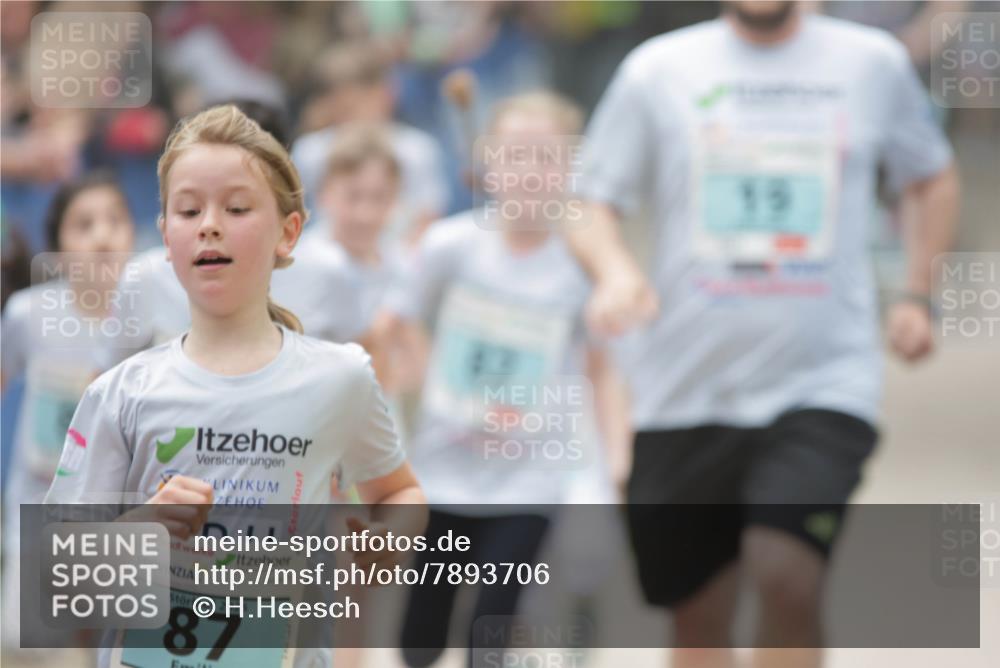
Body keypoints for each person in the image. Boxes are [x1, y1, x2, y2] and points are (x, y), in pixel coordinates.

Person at [570, 2, 960, 667]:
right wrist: (614, 273)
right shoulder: (658, 70)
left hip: (822, 381)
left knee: (786, 574)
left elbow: (931, 175)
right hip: (685, 388)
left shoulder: (870, 64)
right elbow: (588, 201)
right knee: (696, 615)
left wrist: (918, 293)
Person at [44, 105, 426, 668]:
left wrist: (388, 539)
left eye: (237, 207)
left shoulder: (339, 378)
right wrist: (141, 528)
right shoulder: (121, 393)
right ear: (166, 236)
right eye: (188, 209)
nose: (209, 224)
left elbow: (399, 494)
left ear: (288, 233)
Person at [383, 91, 629, 667]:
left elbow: (602, 368)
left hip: (529, 480)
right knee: (419, 640)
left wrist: (620, 458)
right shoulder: (452, 245)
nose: (530, 173)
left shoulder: (580, 264)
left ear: (571, 169)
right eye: (516, 155)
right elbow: (396, 321)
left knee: (491, 628)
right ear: (488, 164)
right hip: (444, 470)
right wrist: (428, 378)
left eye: (547, 158)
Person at [2, 170, 135, 651]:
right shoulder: (28, 314)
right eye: (84, 224)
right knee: (34, 651)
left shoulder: (158, 317)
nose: (102, 236)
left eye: (115, 220)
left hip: (127, 522)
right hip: (41, 513)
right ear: (57, 247)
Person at [292, 42, 448, 248]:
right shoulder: (310, 151)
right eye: (343, 105)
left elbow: (427, 220)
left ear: (386, 94)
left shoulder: (418, 149)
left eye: (359, 101)